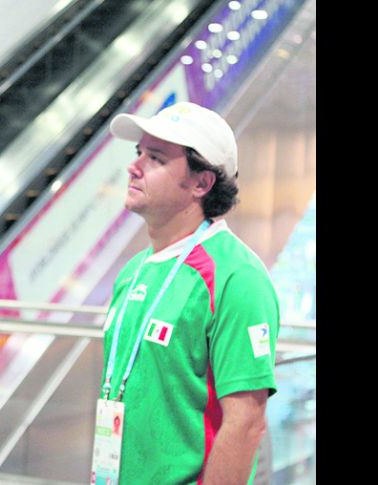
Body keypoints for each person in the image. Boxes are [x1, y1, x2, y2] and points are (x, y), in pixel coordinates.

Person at [99, 102, 279, 484]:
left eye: (156, 158)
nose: (134, 167)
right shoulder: (134, 272)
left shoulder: (236, 276)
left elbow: (245, 424)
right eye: (139, 154)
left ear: (201, 183)